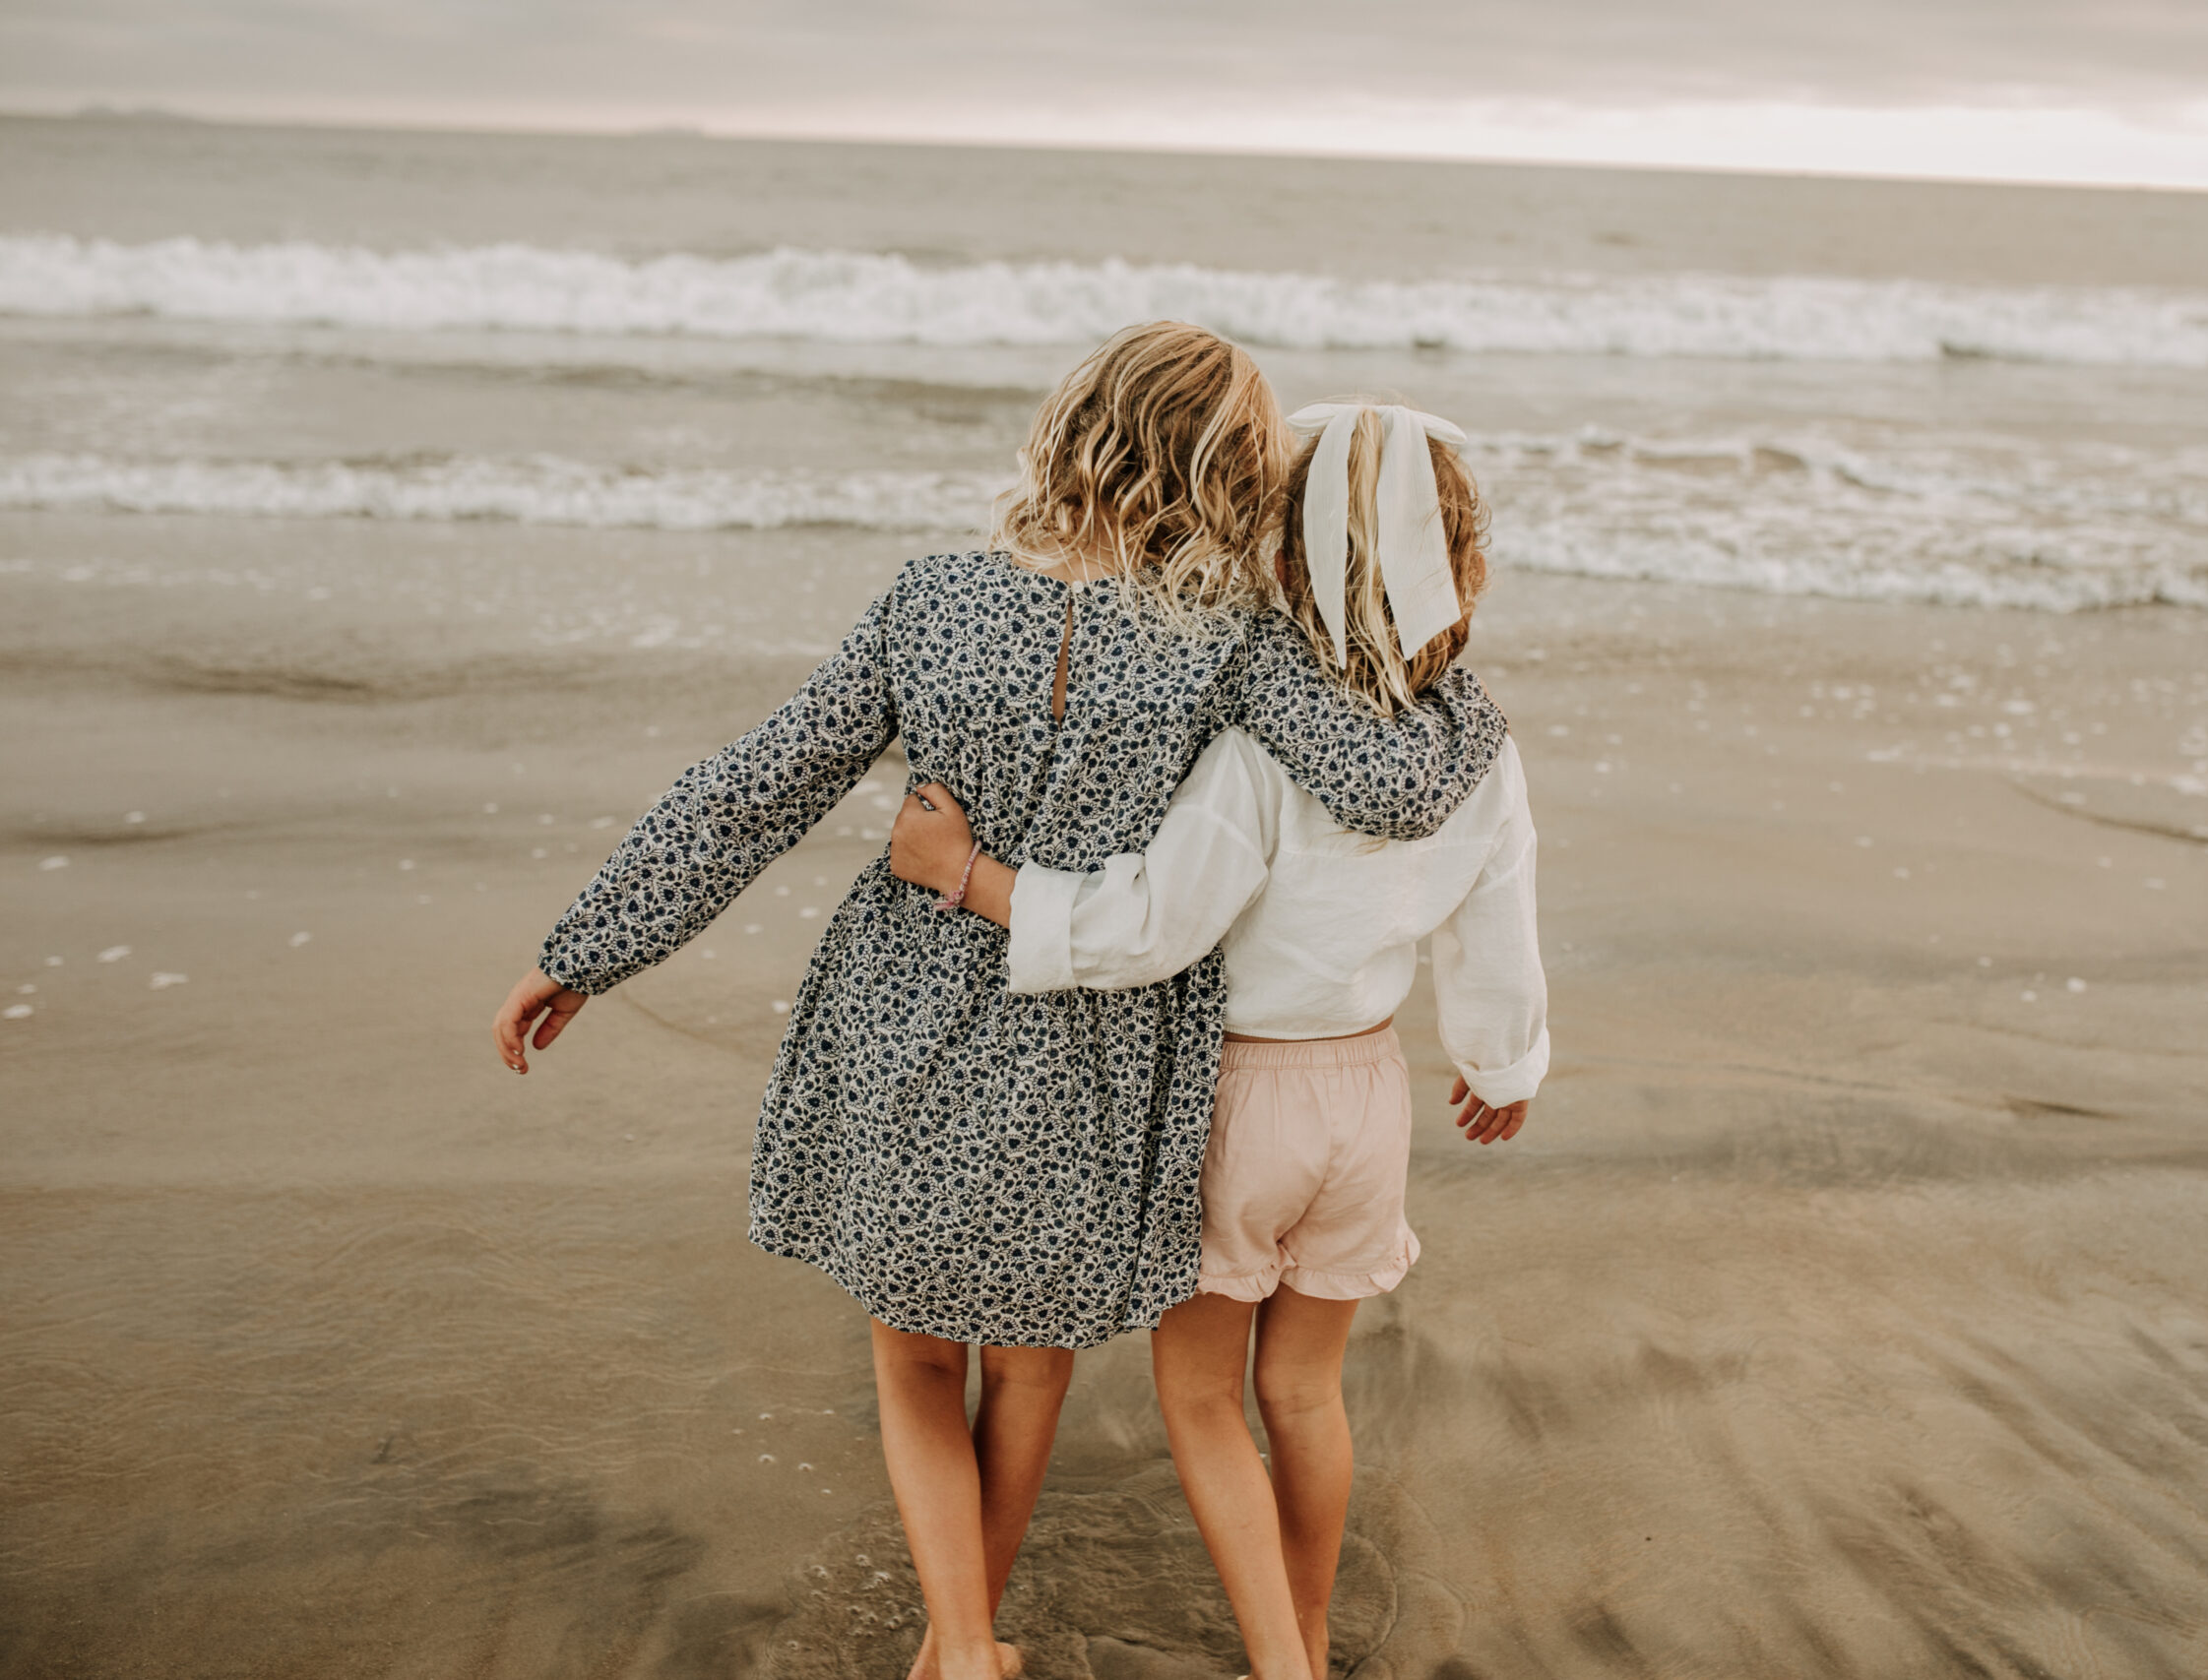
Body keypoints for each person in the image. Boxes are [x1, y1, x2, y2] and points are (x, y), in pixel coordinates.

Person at [488, 334, 1509, 1680]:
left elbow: (761, 782)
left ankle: (965, 1645)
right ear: (1227, 479)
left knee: (912, 1360)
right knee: (1028, 1364)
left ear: (1070, 430)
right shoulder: (1233, 646)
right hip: (1091, 1036)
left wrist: (590, 947)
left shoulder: (929, 600)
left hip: (906, 1009)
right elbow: (1390, 786)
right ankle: (956, 1634)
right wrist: (1475, 704)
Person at [889, 401, 1546, 1680]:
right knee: (1304, 1397)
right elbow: (1497, 920)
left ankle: (1284, 1669)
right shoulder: (1480, 749)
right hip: (1369, 1101)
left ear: (1278, 560)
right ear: (1456, 565)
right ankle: (1297, 1633)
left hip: (1232, 1100)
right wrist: (1502, 1062)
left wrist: (970, 877)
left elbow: (1150, 928)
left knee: (1202, 1405)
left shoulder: (1253, 747)